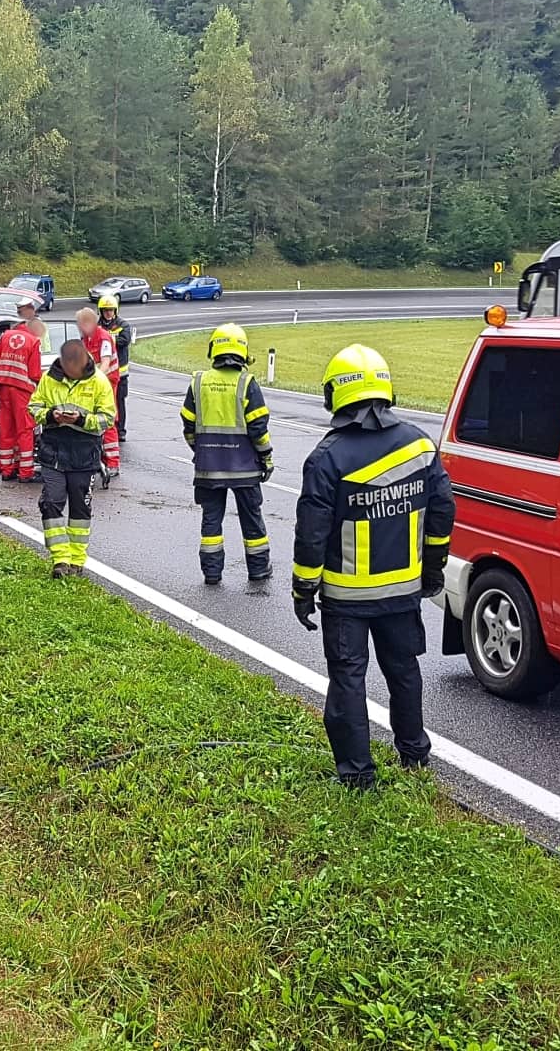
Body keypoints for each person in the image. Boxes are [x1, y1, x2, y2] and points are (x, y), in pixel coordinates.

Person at [291, 344, 455, 789]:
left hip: (346, 599)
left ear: (335, 395)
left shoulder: (328, 458)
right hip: (404, 592)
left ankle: (357, 775)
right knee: (403, 671)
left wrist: (303, 590)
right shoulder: (420, 446)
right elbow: (442, 512)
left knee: (348, 680)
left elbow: (311, 534)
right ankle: (415, 753)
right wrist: (433, 568)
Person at [181, 323, 274, 585]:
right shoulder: (247, 383)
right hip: (245, 469)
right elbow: (258, 428)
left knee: (211, 521)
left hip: (208, 468)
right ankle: (258, 570)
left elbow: (188, 424)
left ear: (214, 350)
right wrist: (266, 458)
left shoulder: (199, 382)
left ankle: (212, 573)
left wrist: (199, 450)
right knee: (252, 520)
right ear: (242, 353)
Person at [30, 339, 115, 577]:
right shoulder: (50, 378)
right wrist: (50, 415)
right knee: (50, 503)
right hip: (53, 452)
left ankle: (77, 560)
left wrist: (80, 420)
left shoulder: (99, 381)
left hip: (84, 453)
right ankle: (60, 559)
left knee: (80, 509)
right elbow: (34, 406)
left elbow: (108, 418)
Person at [0, 299, 44, 483]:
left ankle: (6, 468)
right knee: (25, 430)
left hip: (3, 388)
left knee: (6, 428)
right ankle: (25, 472)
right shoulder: (34, 341)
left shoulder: (5, 336)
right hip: (22, 391)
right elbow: (34, 373)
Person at [75, 306, 121, 482]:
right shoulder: (85, 338)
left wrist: (95, 380)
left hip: (107, 382)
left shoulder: (103, 337)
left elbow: (105, 362)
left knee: (106, 419)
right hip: (95, 383)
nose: (79, 327)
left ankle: (112, 463)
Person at [97, 294, 135, 442]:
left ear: (115, 310)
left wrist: (106, 338)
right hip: (102, 373)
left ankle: (120, 430)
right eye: (105, 310)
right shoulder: (96, 325)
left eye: (111, 310)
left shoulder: (123, 325)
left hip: (120, 373)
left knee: (119, 402)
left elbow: (124, 340)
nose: (108, 313)